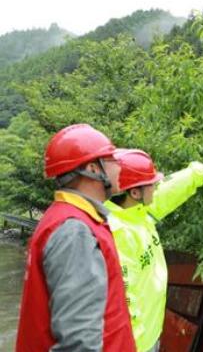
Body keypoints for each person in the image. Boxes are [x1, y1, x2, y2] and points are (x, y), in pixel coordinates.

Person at [16, 124, 136, 352]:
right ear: (93, 169)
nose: (119, 165)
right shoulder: (75, 231)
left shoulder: (68, 218)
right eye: (111, 158)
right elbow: (79, 344)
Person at [105, 148, 203, 352]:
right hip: (134, 344)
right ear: (135, 192)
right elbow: (123, 298)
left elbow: (171, 189)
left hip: (150, 333)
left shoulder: (138, 212)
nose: (156, 186)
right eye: (152, 183)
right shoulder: (118, 233)